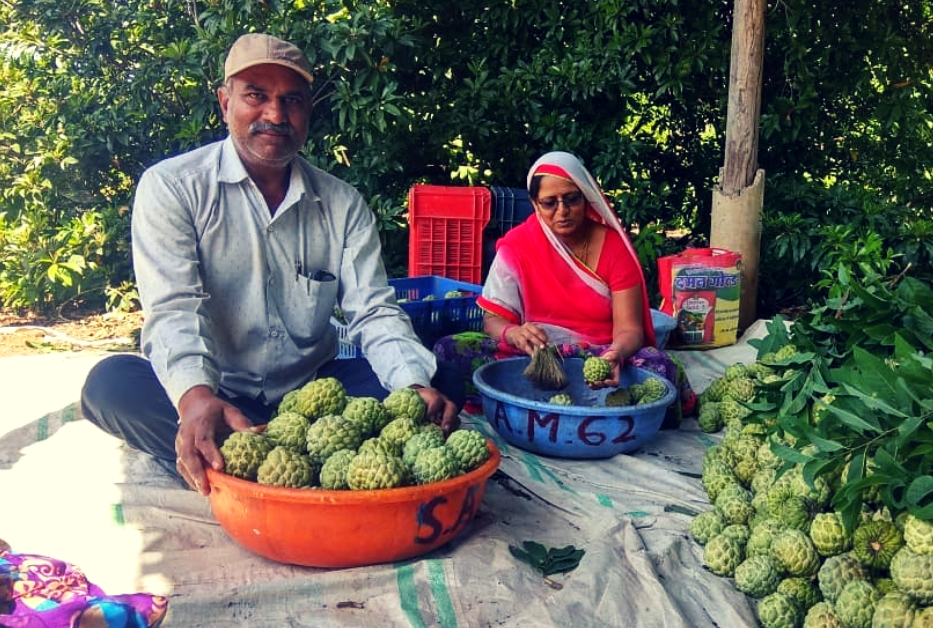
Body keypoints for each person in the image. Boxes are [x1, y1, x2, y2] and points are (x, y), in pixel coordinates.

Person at [79, 33, 458, 495]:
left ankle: (239, 467)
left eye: (291, 101)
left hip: (313, 400)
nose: (275, 115)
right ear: (224, 102)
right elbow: (175, 309)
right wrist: (197, 398)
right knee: (109, 386)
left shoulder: (341, 204)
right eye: (256, 95)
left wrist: (412, 385)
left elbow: (374, 310)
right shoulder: (173, 188)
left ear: (307, 113)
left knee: (439, 379)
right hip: (216, 390)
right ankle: (226, 442)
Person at [433, 151, 696, 425]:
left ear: (585, 196)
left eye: (571, 199)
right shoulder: (518, 246)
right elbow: (493, 321)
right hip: (535, 356)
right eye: (549, 203)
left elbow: (630, 329)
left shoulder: (613, 247)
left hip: (596, 355)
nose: (562, 212)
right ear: (535, 204)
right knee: (450, 349)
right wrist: (514, 333)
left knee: (660, 367)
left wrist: (615, 355)